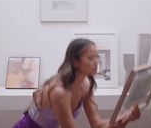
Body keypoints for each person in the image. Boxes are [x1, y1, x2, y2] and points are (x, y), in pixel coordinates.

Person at [13, 38, 141, 128]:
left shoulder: (86, 85)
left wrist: (126, 117)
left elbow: (97, 124)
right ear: (75, 61)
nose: (96, 62)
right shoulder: (60, 92)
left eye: (97, 57)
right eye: (91, 58)